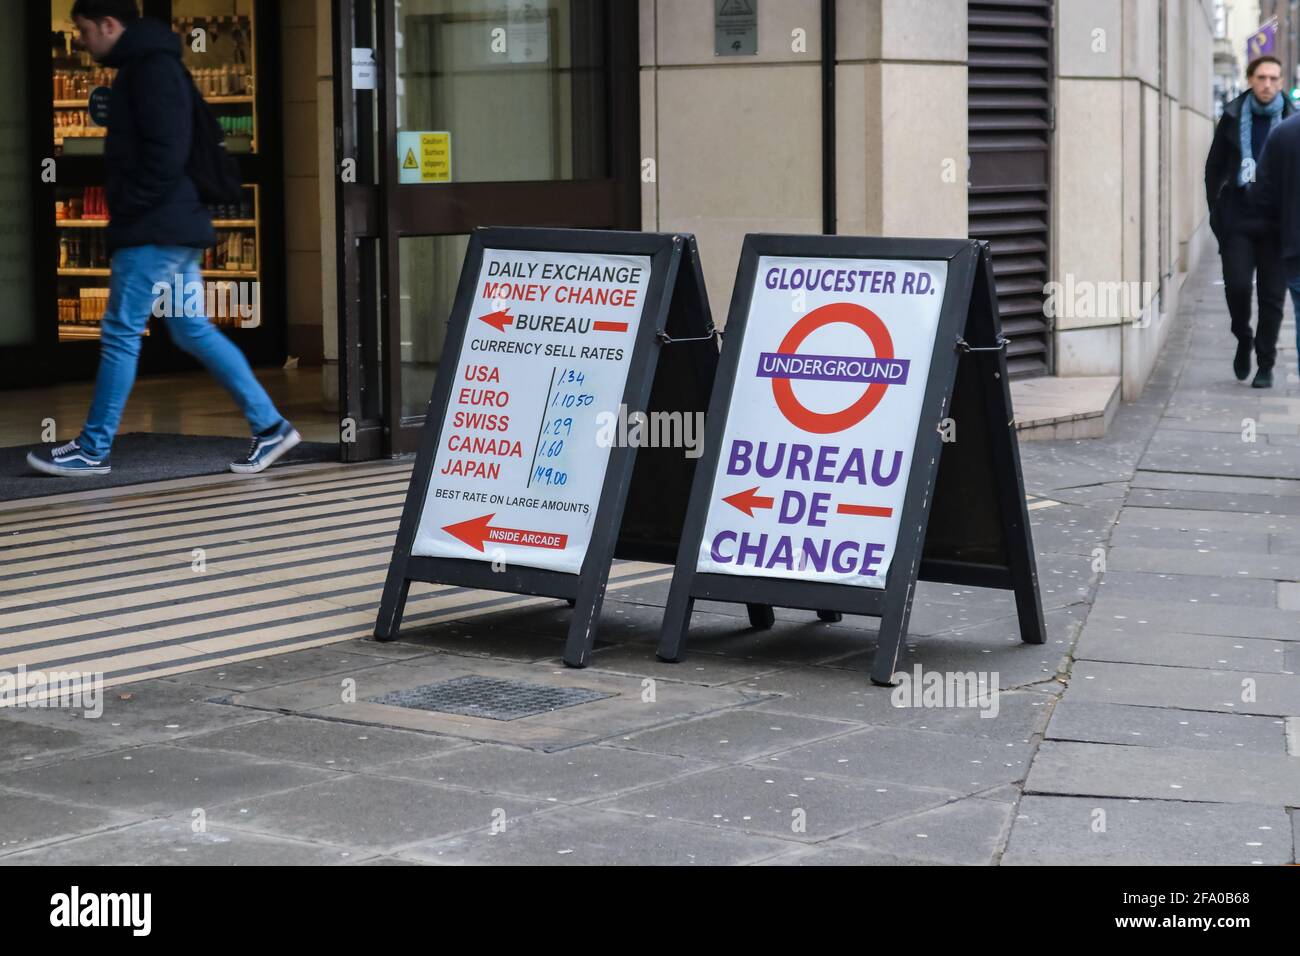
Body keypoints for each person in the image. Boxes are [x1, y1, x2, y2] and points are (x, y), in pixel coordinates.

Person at [27, 0, 299, 477]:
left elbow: (165, 151)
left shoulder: (149, 70)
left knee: (119, 334)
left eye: (86, 30)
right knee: (192, 329)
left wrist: (132, 207)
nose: (83, 41)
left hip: (154, 228)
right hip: (173, 224)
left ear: (110, 25)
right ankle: (271, 426)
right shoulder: (151, 64)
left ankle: (93, 447)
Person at [1204, 55, 1292, 389]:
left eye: (1273, 78)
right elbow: (1213, 168)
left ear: (1281, 82)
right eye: (1261, 78)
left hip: (1277, 226)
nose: (1267, 84)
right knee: (1238, 288)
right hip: (1238, 219)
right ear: (1251, 80)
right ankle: (1243, 336)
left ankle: (1265, 363)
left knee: (1272, 298)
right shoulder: (1231, 117)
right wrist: (1217, 213)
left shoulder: (1291, 121)